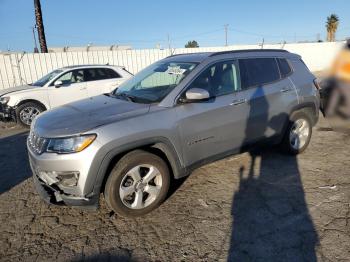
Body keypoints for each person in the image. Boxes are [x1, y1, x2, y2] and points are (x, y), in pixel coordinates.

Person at [326, 39, 350, 118]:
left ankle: (329, 111)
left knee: (335, 94)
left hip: (338, 78)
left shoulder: (342, 54)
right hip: (345, 79)